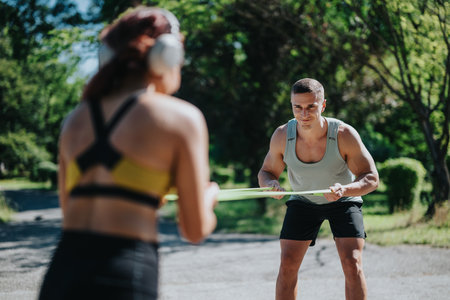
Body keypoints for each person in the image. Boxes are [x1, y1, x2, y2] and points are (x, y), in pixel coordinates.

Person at [38, 6, 218, 300]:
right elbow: (194, 230)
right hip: (124, 274)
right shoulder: (181, 118)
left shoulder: (76, 119)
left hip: (61, 274)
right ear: (167, 55)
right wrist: (209, 195)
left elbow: (71, 209)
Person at [258, 78, 379, 300]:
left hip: (343, 201)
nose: (304, 114)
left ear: (322, 106)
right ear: (292, 106)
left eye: (311, 107)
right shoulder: (283, 135)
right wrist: (270, 185)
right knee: (287, 265)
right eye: (298, 107)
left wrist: (345, 189)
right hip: (303, 203)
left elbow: (371, 178)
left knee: (352, 263)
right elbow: (266, 172)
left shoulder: (343, 134)